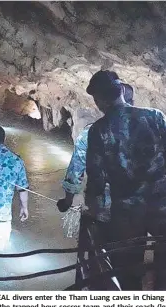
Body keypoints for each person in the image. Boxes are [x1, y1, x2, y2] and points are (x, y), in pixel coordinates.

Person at [84, 70, 166, 290]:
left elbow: (96, 178)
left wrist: (94, 208)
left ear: (100, 99)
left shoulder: (99, 130)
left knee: (127, 271)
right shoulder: (154, 117)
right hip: (164, 206)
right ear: (122, 92)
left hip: (126, 213)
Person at [57, 82, 135, 220]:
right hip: (140, 207)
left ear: (104, 103)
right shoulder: (154, 120)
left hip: (104, 207)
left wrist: (68, 200)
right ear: (132, 101)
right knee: (136, 240)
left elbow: (76, 170)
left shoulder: (92, 132)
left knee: (101, 239)